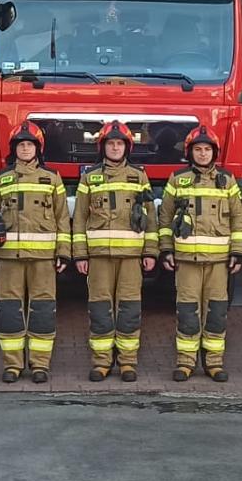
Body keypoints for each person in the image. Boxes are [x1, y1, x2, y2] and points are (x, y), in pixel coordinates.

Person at [0, 121, 72, 384]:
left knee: (43, 311)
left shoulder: (52, 178)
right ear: (14, 149)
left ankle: (40, 365)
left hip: (43, 260)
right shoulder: (2, 178)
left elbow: (62, 219)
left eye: (29, 145)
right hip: (9, 258)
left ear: (37, 148)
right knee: (9, 311)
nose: (24, 149)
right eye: (20, 145)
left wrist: (63, 253)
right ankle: (12, 365)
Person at [158, 125, 242, 382]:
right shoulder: (178, 179)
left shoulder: (228, 181)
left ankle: (214, 363)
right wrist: (166, 250)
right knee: (187, 311)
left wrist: (238, 253)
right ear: (190, 152)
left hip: (219, 263)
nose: (203, 154)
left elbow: (239, 220)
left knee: (216, 312)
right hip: (186, 262)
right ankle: (186, 363)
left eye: (207, 149)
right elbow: (165, 218)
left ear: (214, 153)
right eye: (198, 149)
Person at [71, 121, 158, 382]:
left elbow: (150, 217)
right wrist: (80, 254)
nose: (116, 147)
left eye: (120, 143)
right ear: (103, 147)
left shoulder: (139, 176)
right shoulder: (90, 177)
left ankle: (128, 362)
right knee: (100, 310)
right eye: (111, 143)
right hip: (98, 258)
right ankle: (101, 362)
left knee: (130, 310)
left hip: (131, 257)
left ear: (127, 147)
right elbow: (79, 219)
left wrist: (150, 252)